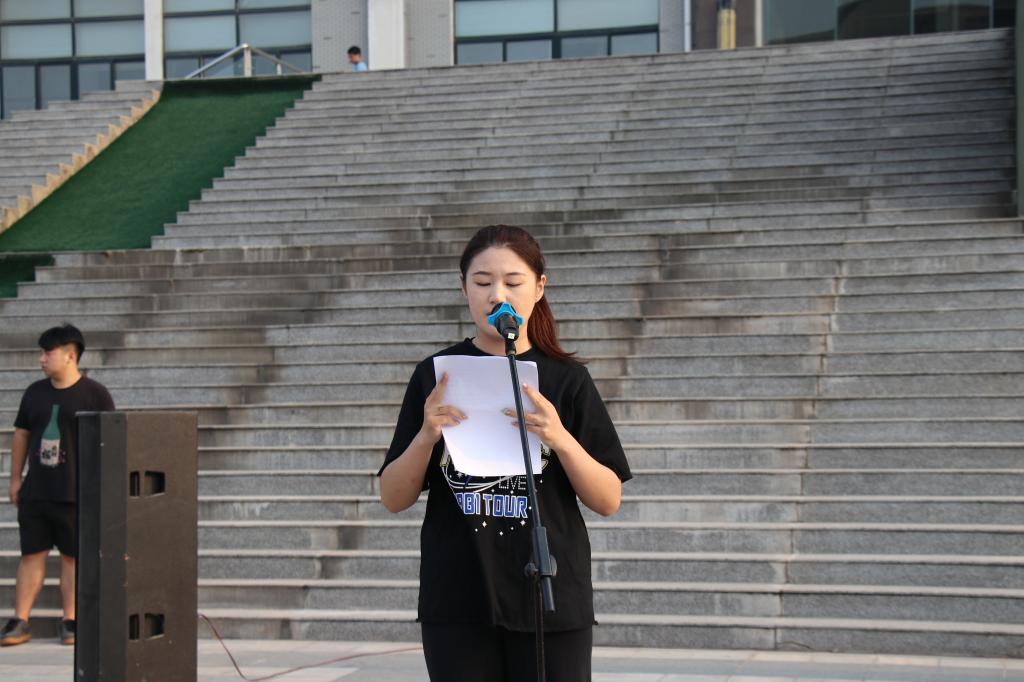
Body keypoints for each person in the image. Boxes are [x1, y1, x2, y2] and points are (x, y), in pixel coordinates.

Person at [379, 225, 631, 681]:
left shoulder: (568, 380)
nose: (497, 295)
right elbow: (393, 497)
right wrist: (426, 435)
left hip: (549, 598)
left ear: (539, 287)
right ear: (463, 287)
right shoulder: (435, 376)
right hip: (458, 600)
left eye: (513, 282)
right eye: (482, 282)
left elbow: (608, 498)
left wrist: (559, 437)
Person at [1, 324, 114, 647]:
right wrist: (15, 478)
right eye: (41, 352)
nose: (42, 359)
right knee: (31, 555)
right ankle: (20, 620)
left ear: (70, 356)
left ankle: (71, 620)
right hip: (37, 491)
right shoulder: (34, 393)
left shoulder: (95, 394)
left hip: (76, 493)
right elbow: (22, 435)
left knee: (72, 557)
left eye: (47, 353)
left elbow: (110, 440)